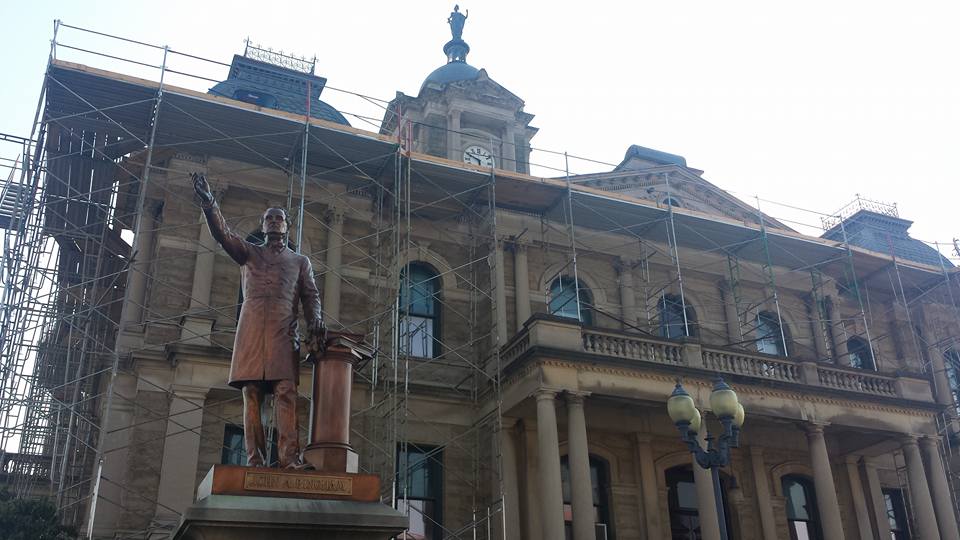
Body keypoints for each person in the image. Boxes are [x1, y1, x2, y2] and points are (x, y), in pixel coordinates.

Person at [192, 173, 324, 468]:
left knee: (285, 391)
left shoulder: (300, 261)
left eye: (279, 218)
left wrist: (315, 320)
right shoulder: (248, 253)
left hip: (284, 331)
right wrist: (210, 203)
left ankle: (289, 458)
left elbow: (311, 296)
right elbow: (223, 235)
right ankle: (255, 460)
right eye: (269, 219)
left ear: (287, 226)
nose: (274, 222)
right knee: (251, 393)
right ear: (263, 226)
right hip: (251, 330)